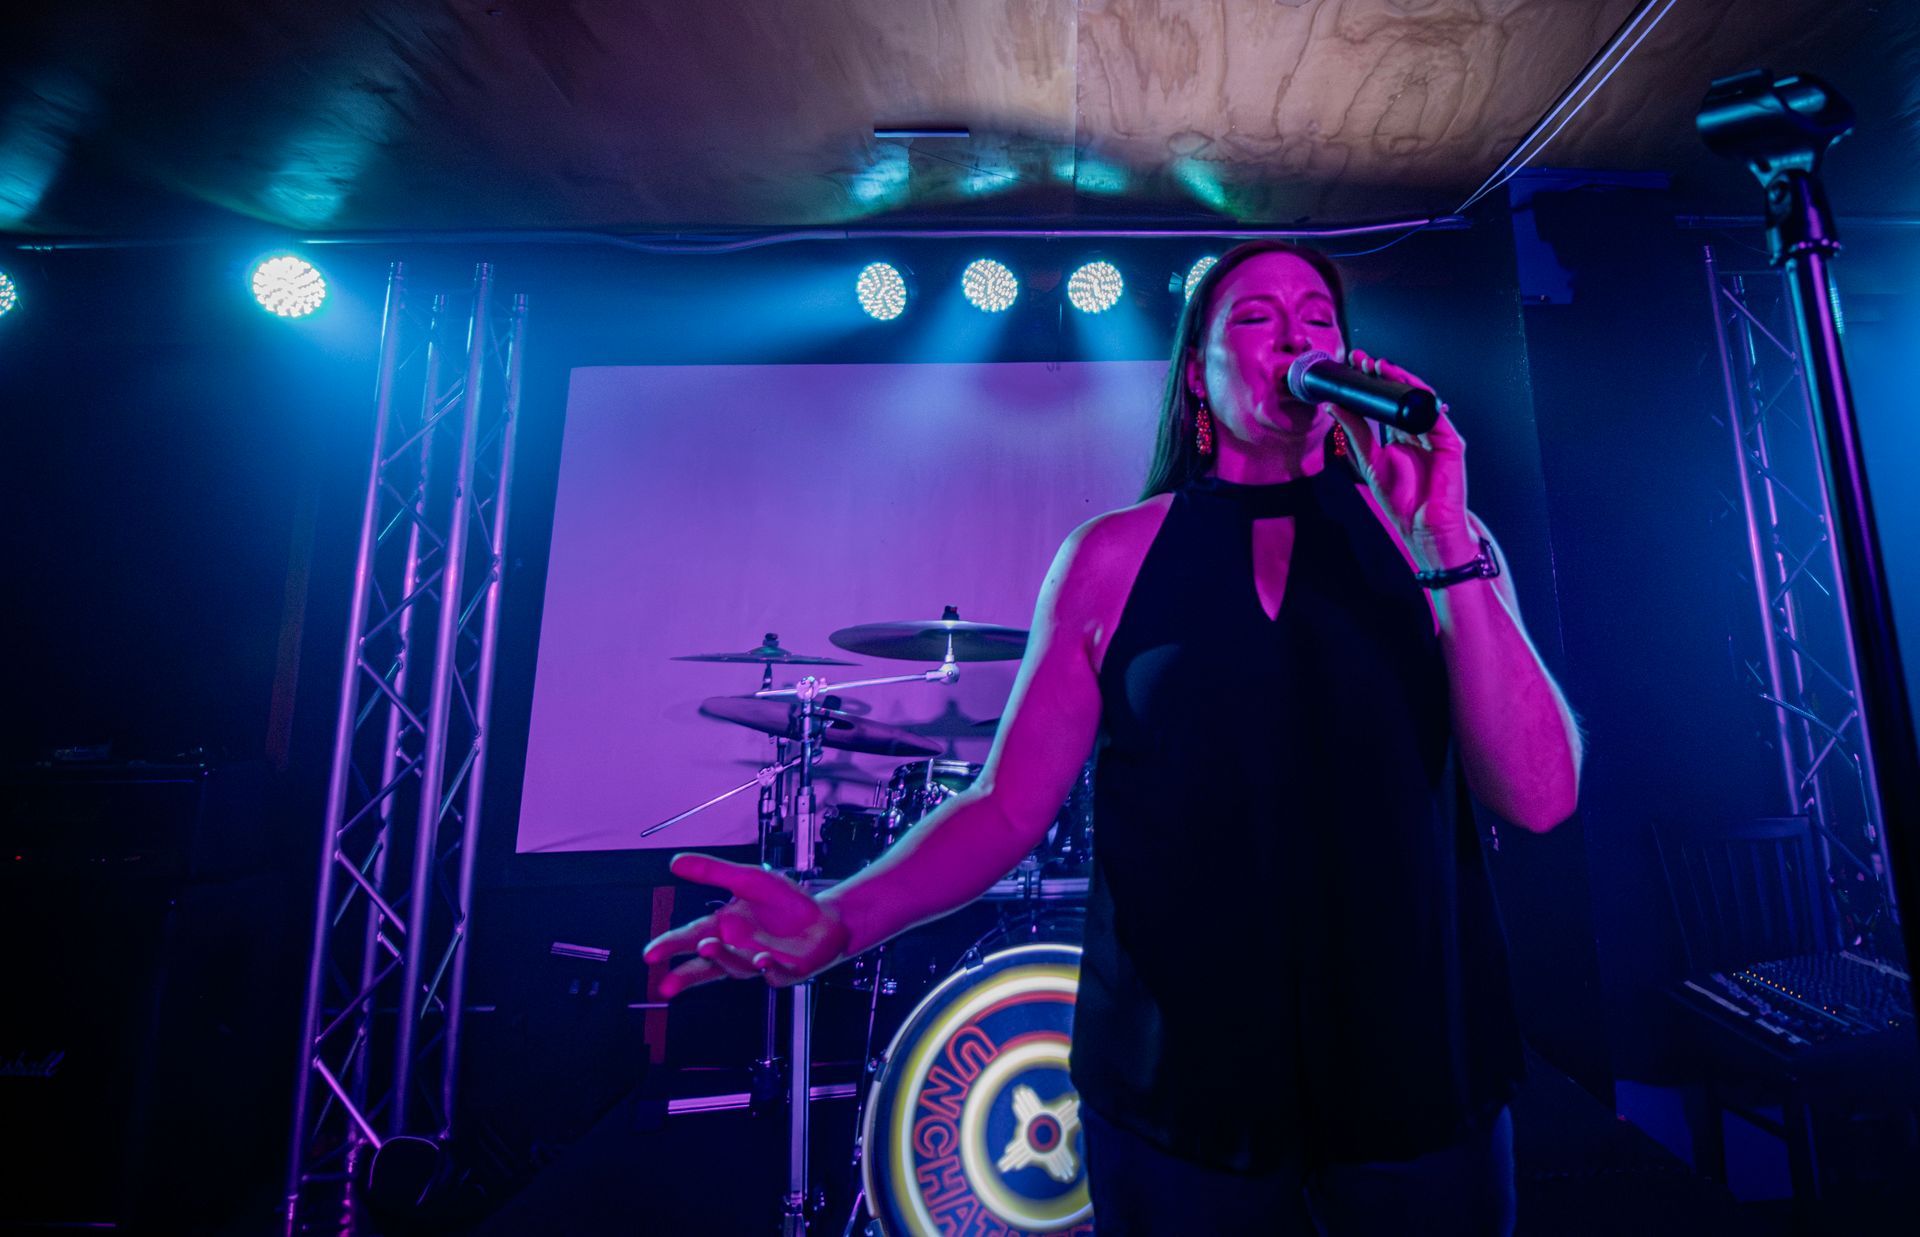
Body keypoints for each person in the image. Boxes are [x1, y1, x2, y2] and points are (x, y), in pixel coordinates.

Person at [643, 239, 1583, 1235]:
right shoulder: (1111, 557)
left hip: (1417, 1074)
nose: (1297, 333)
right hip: (1181, 1090)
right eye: (1255, 319)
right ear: (1195, 377)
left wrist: (1442, 540)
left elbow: (1539, 793)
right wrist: (839, 919)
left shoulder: (1439, 542)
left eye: (1317, 316)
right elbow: (1006, 804)